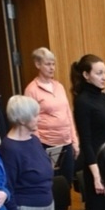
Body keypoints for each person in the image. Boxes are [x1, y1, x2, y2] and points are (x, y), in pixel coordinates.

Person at [71, 54, 105, 210]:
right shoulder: (82, 102)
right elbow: (86, 142)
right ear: (86, 75)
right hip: (97, 167)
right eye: (99, 73)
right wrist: (97, 176)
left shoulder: (104, 97)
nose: (104, 77)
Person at [24, 47, 77, 187]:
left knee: (67, 182)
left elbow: (68, 113)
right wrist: (38, 146)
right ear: (38, 64)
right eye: (48, 64)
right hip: (46, 143)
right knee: (51, 183)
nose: (52, 67)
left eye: (53, 64)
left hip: (66, 142)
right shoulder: (31, 89)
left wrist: (74, 140)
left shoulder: (59, 86)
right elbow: (31, 120)